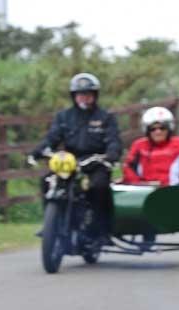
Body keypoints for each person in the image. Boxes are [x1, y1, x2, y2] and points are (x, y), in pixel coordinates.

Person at [31, 72, 122, 239]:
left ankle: (100, 227)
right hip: (69, 162)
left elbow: (113, 139)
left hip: (96, 162)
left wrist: (111, 154)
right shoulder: (64, 117)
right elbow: (52, 137)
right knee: (46, 180)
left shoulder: (105, 117)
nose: (84, 98)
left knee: (99, 186)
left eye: (87, 94)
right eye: (80, 94)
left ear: (95, 95)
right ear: (74, 96)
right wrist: (38, 151)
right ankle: (50, 223)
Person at [121, 107, 179, 186]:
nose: (158, 132)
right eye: (153, 129)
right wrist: (138, 184)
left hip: (172, 193)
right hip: (145, 192)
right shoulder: (139, 145)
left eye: (162, 128)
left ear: (169, 128)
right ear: (147, 130)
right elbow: (128, 166)